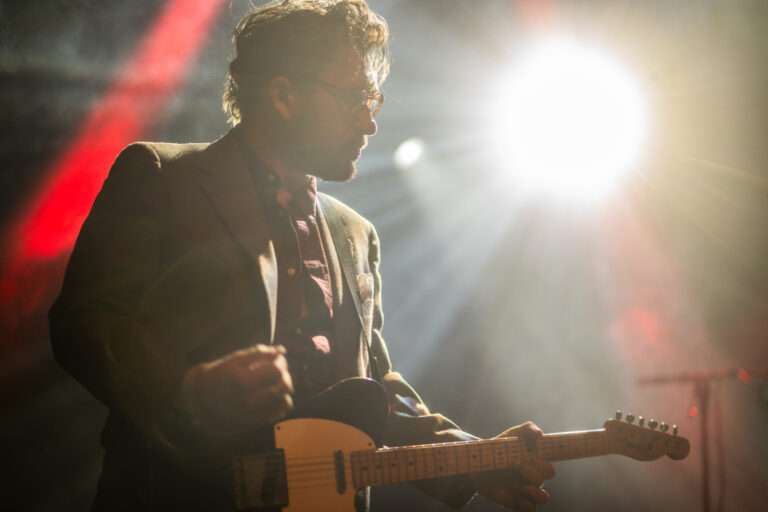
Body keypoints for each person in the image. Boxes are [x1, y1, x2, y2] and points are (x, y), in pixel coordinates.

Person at [49, 1, 554, 511]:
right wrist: (191, 391)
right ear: (284, 95)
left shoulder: (356, 233)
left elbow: (374, 386)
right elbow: (85, 324)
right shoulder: (161, 176)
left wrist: (470, 457)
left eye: (373, 101)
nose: (370, 124)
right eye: (356, 98)